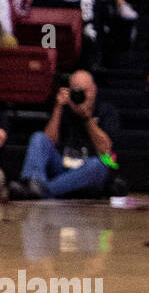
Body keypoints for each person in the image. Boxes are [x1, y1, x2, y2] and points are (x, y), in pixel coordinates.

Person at [8, 70, 120, 200]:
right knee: (38, 138)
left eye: (85, 91)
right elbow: (48, 141)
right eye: (76, 91)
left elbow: (106, 151)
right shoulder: (64, 109)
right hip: (62, 166)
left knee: (100, 164)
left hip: (86, 172)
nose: (80, 95)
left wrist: (87, 119)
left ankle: (40, 191)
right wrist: (58, 107)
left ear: (94, 90)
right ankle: (33, 181)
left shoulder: (106, 111)